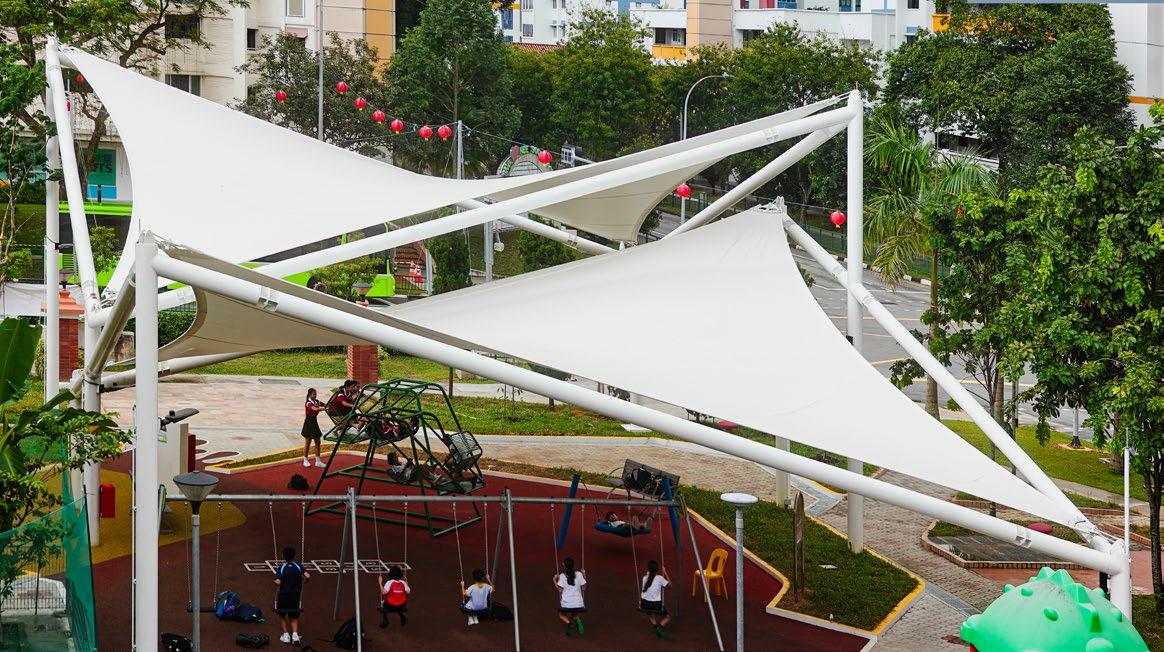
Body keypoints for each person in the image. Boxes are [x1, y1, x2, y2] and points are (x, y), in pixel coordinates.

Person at [274, 547, 310, 645]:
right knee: (294, 615)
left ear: (283, 556)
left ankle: (286, 635)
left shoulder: (281, 568)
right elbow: (307, 576)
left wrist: (276, 580)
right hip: (295, 596)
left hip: (283, 596)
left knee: (282, 614)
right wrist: (305, 580)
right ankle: (295, 635)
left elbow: (278, 582)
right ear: (294, 556)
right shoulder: (298, 566)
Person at [553, 557, 587, 636]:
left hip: (566, 604)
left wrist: (554, 580)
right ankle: (577, 619)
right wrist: (584, 574)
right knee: (574, 614)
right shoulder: (579, 574)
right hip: (579, 603)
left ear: (564, 565)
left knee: (561, 615)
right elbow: (583, 588)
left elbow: (560, 590)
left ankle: (569, 623)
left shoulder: (562, 576)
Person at [639, 560, 670, 637]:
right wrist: (665, 573)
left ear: (648, 570)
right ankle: (660, 627)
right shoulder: (660, 578)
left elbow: (649, 578)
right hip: (656, 605)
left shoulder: (644, 578)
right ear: (657, 570)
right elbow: (670, 585)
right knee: (667, 617)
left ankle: (656, 626)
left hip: (644, 604)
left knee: (650, 613)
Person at [301, 388, 326, 468]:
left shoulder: (317, 401)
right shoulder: (308, 403)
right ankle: (305, 460)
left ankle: (318, 461)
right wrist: (324, 408)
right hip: (308, 423)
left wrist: (329, 406)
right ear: (309, 395)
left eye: (316, 394)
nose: (315, 395)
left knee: (318, 442)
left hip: (314, 422)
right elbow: (315, 409)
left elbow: (325, 404)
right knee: (308, 442)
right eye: (313, 394)